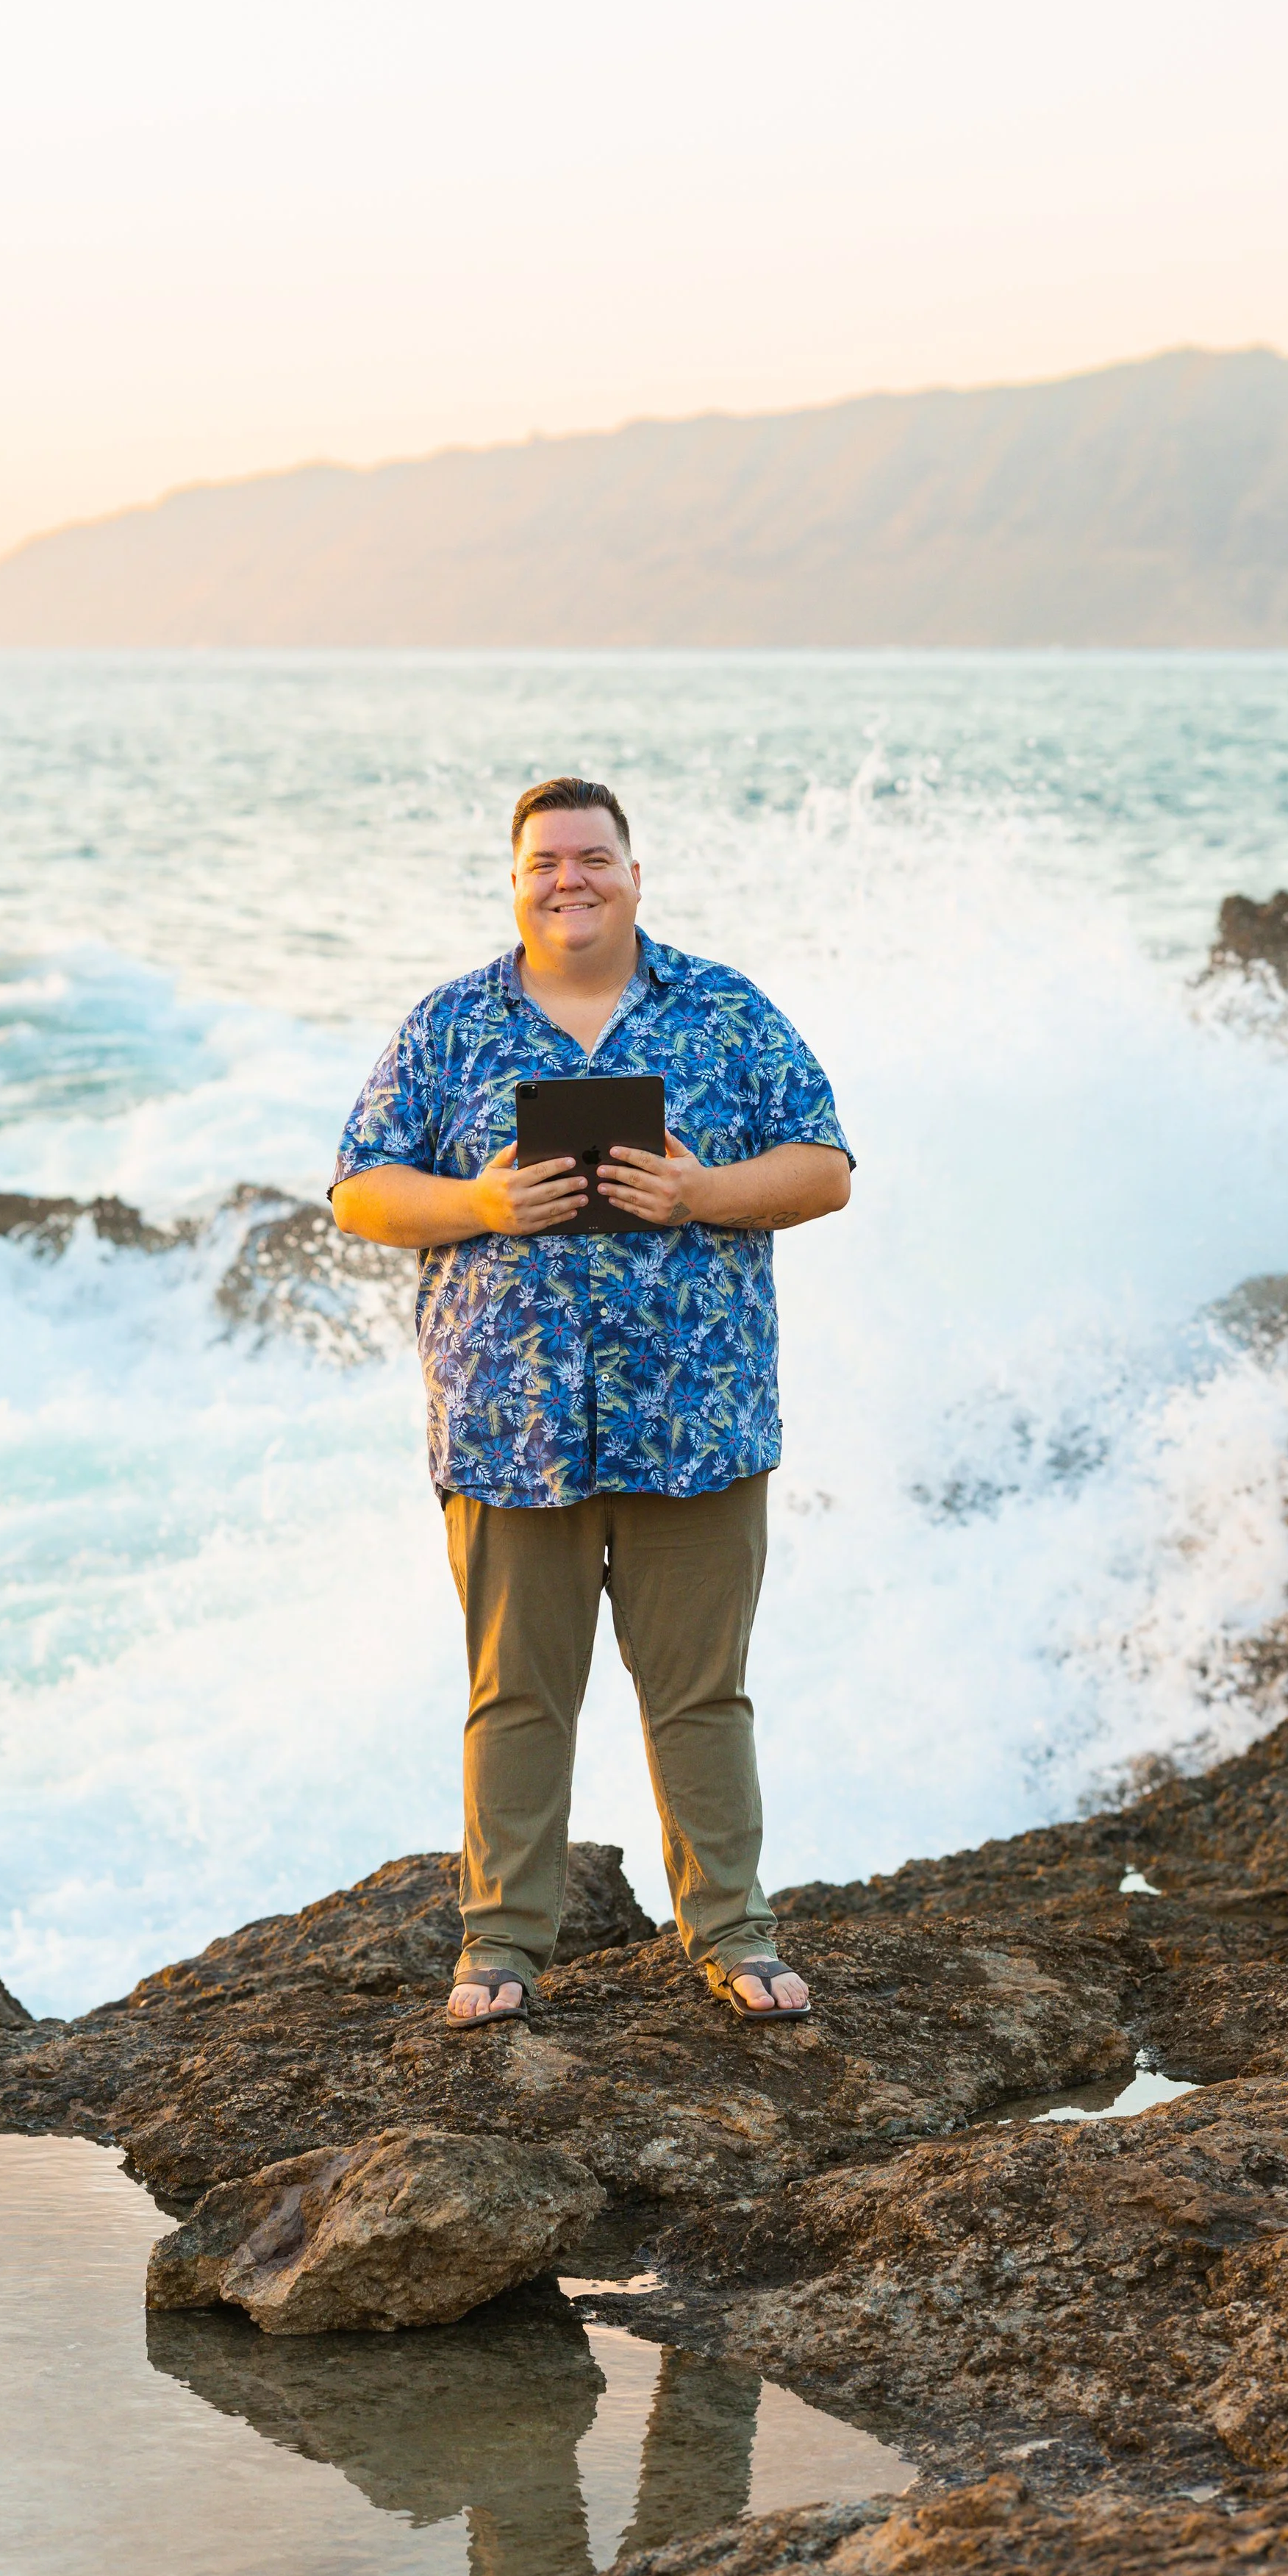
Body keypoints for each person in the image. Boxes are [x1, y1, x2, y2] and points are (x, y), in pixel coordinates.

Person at [330, 776, 852, 2027]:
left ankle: (732, 1928)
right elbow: (360, 1188)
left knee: (701, 1692)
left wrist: (701, 1193)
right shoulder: (449, 1025)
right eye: (545, 862)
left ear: (634, 872)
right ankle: (501, 1945)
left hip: (698, 1419)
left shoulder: (724, 1009)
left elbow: (826, 1165)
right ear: (516, 881)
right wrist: (481, 1205)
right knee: (516, 1693)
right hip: (510, 1427)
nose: (570, 879)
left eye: (593, 858)